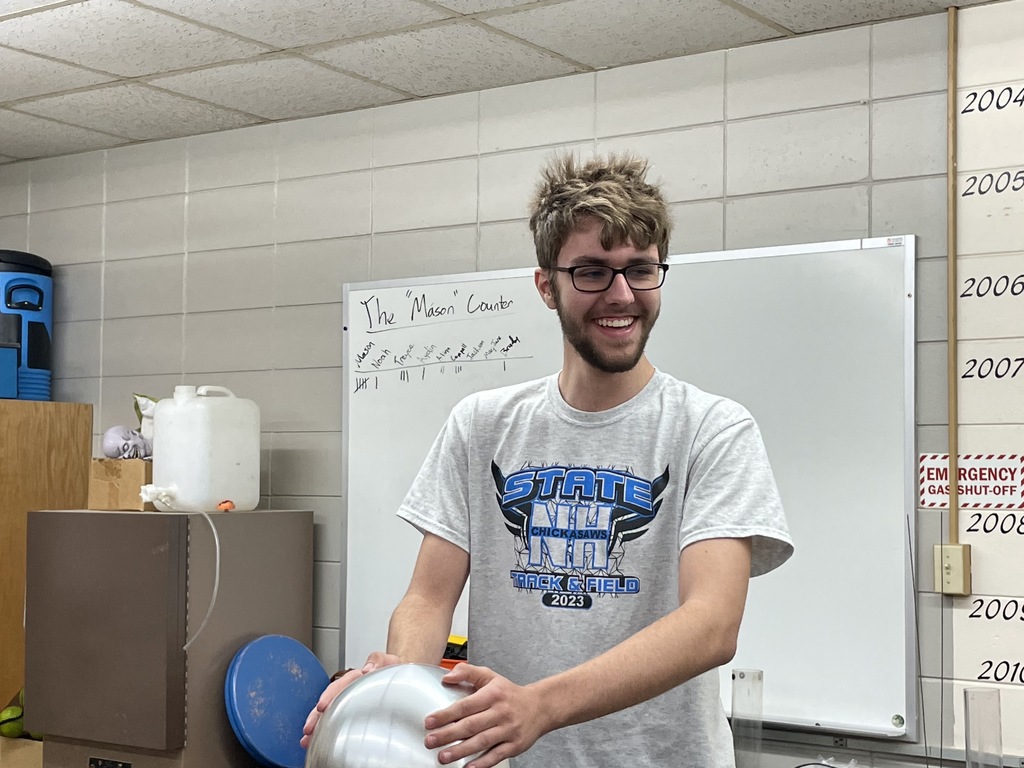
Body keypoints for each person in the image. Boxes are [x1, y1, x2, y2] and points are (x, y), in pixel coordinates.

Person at [303, 153, 793, 767]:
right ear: (546, 285)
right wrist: (397, 682)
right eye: (591, 272)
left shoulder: (711, 430)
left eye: (640, 270)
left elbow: (711, 625)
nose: (621, 295)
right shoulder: (482, 425)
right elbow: (429, 598)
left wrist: (540, 705)